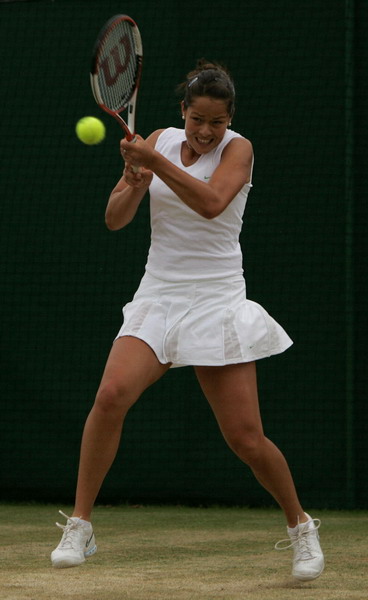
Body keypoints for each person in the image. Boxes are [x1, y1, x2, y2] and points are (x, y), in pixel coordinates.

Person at [51, 59, 324, 581]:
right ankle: (80, 526)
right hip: (159, 294)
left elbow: (212, 204)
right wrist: (134, 180)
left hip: (216, 300)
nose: (204, 131)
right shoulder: (159, 137)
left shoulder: (238, 149)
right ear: (183, 111)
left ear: (229, 121)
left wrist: (155, 163)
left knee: (245, 439)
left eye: (215, 122)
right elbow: (115, 219)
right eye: (197, 119)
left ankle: (301, 527)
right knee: (109, 397)